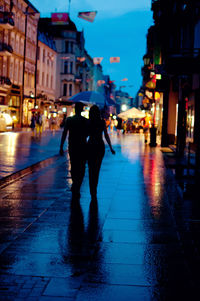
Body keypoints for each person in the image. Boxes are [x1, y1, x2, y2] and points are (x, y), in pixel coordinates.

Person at [59, 102, 88, 198]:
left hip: (72, 146)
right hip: (83, 146)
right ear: (82, 110)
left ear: (75, 109)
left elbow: (64, 133)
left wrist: (61, 147)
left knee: (74, 165)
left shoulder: (69, 120)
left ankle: (75, 183)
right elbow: (88, 134)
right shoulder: (85, 121)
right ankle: (77, 185)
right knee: (82, 167)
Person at [87, 105, 115, 201]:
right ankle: (94, 189)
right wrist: (111, 148)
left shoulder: (89, 122)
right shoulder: (102, 122)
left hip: (90, 146)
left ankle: (92, 190)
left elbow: (85, 135)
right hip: (99, 146)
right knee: (97, 169)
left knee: (91, 169)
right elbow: (106, 136)